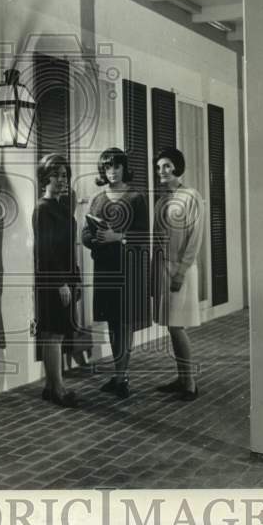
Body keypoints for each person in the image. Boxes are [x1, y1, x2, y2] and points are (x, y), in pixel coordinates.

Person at [82, 147, 150, 399]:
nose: (112, 171)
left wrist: (118, 236)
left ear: (124, 168)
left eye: (116, 166)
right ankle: (118, 375)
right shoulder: (98, 199)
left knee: (124, 322)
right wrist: (96, 238)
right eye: (107, 167)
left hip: (127, 268)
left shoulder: (136, 197)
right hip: (105, 268)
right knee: (112, 321)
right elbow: (85, 234)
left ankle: (122, 376)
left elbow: (144, 236)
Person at [152, 147, 205, 401]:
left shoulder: (191, 196)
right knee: (171, 326)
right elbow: (157, 240)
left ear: (177, 168)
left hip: (181, 269)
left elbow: (195, 239)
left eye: (166, 166)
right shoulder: (161, 200)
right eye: (159, 167)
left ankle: (190, 383)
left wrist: (181, 272)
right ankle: (182, 377)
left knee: (176, 326)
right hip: (163, 268)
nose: (161, 171)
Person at [32, 154, 81, 408]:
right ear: (44, 177)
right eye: (57, 175)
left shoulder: (62, 208)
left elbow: (69, 248)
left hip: (65, 279)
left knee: (58, 333)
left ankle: (51, 386)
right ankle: (58, 389)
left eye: (65, 175)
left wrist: (76, 278)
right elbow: (45, 252)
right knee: (53, 334)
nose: (62, 180)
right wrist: (61, 282)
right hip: (52, 282)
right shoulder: (42, 209)